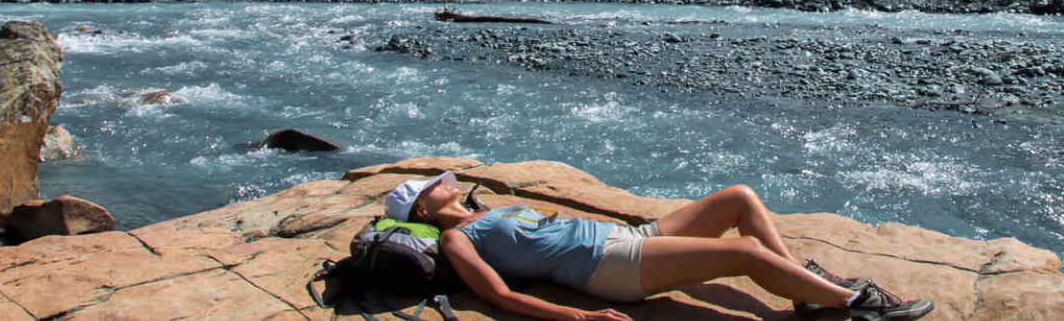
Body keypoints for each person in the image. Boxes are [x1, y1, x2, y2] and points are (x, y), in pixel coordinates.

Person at [385, 172, 935, 321]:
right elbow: (498, 295)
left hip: (630, 239)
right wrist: (577, 320)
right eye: (435, 184)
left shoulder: (483, 210)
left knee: (738, 198)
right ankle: (853, 304)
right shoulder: (458, 236)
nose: (445, 180)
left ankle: (806, 291)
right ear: (425, 210)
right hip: (608, 268)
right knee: (743, 256)